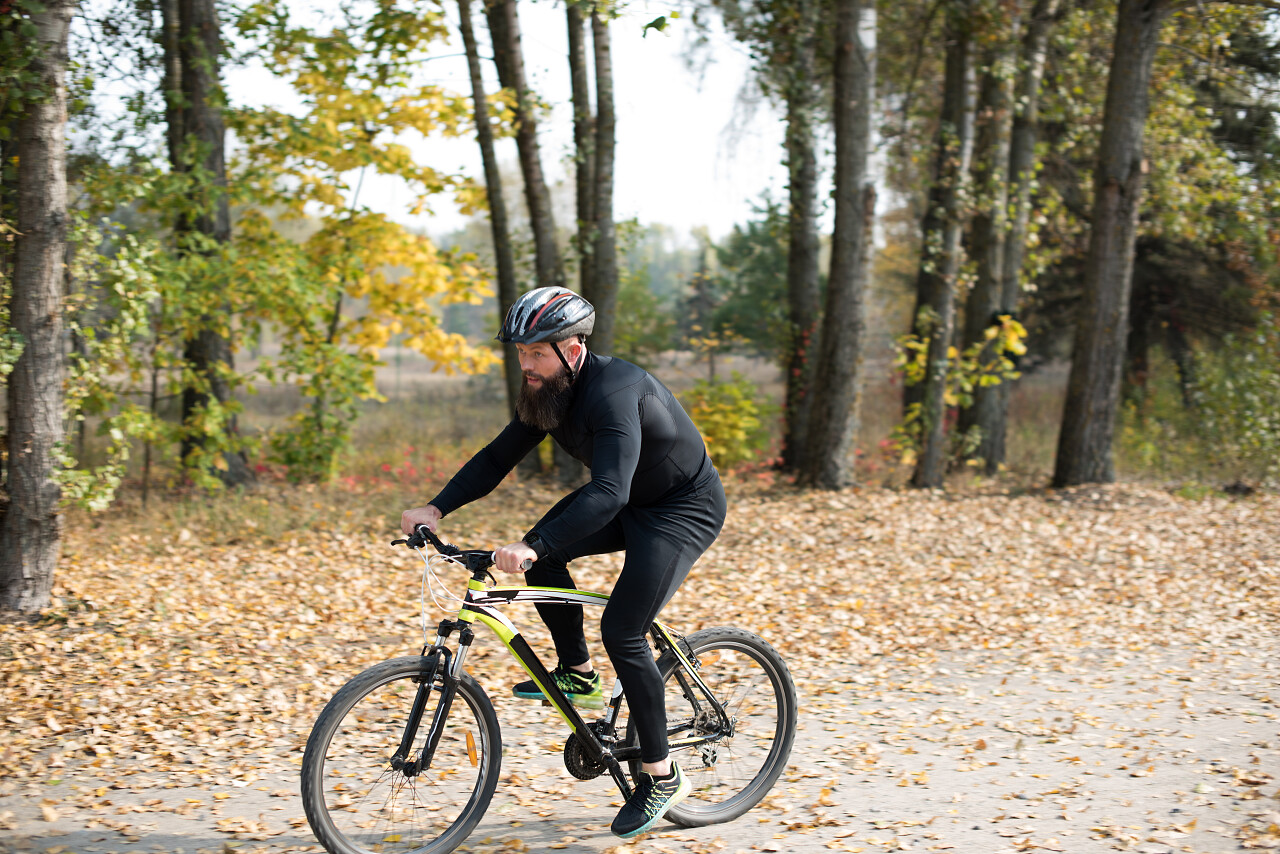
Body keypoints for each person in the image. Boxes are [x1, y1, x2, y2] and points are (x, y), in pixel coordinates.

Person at [401, 286, 727, 839]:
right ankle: (577, 675)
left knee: (623, 630)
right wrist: (437, 505)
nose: (526, 364)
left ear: (572, 351)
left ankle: (662, 772)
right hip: (625, 499)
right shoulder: (546, 390)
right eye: (521, 353)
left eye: (537, 353)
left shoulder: (614, 391)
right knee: (542, 551)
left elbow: (610, 489)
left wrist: (534, 545)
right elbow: (497, 456)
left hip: (679, 509)